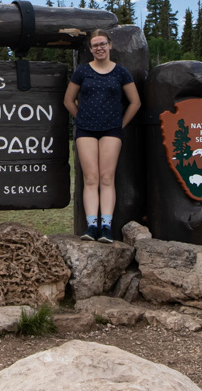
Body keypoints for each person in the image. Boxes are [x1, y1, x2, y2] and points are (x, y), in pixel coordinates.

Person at [63, 29, 141, 243]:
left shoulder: (121, 72)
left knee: (107, 178)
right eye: (95, 45)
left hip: (111, 131)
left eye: (102, 44)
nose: (99, 48)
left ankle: (106, 226)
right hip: (86, 130)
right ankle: (91, 226)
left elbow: (135, 102)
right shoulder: (82, 71)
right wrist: (81, 118)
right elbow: (68, 100)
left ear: (110, 45)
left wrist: (120, 124)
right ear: (90, 49)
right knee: (91, 178)